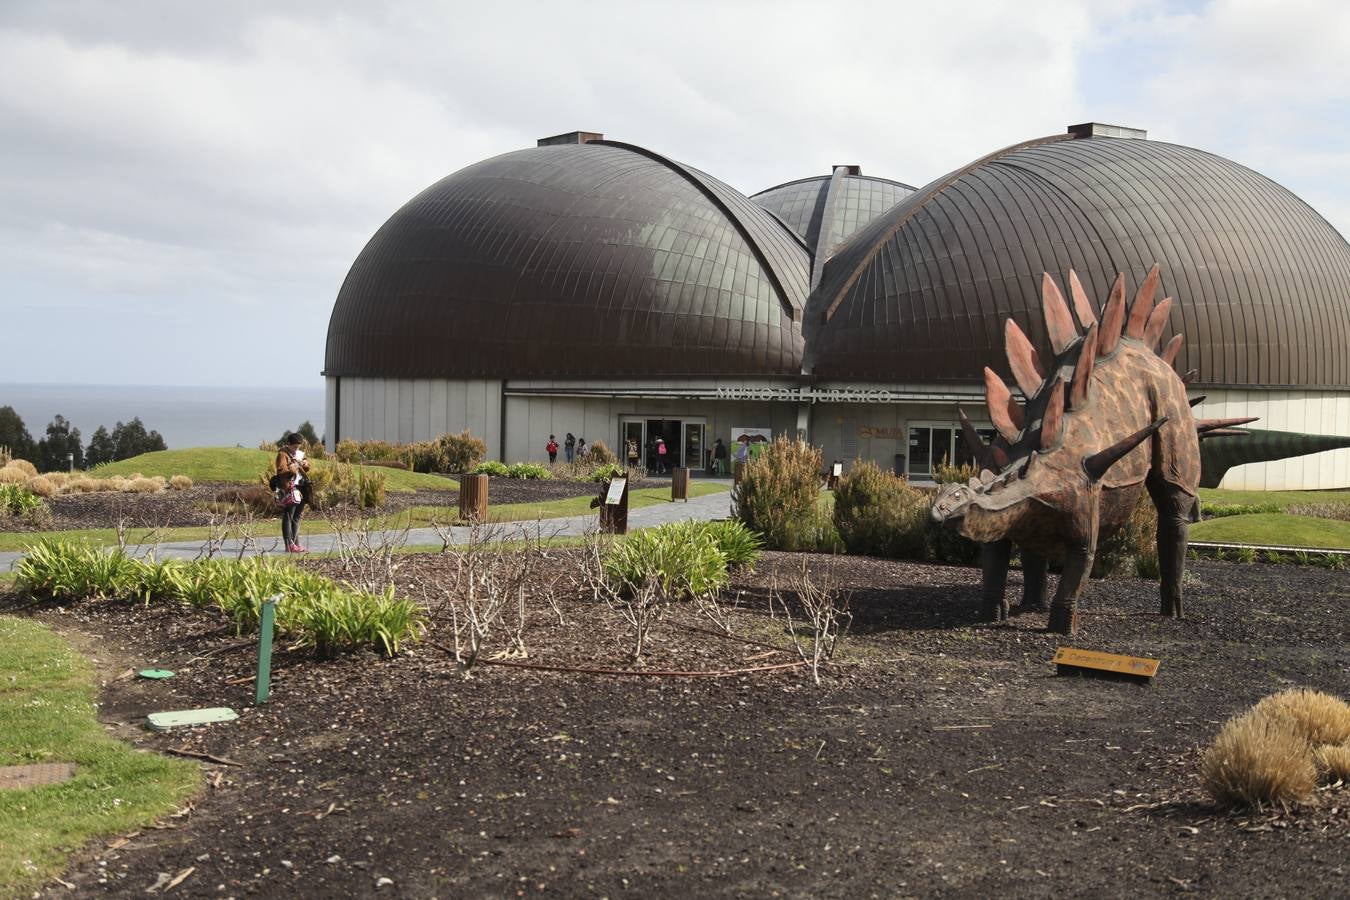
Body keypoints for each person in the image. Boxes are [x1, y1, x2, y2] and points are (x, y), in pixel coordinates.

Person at [274, 433, 310, 553]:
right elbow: (281, 470)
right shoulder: (282, 454)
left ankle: (296, 543)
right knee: (288, 516)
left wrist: (305, 464)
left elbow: (306, 467)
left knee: (297, 517)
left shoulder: (299, 454)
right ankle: (289, 544)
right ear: (288, 444)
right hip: (289, 488)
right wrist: (293, 467)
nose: (297, 449)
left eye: (298, 447)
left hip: (300, 487)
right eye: (294, 447)